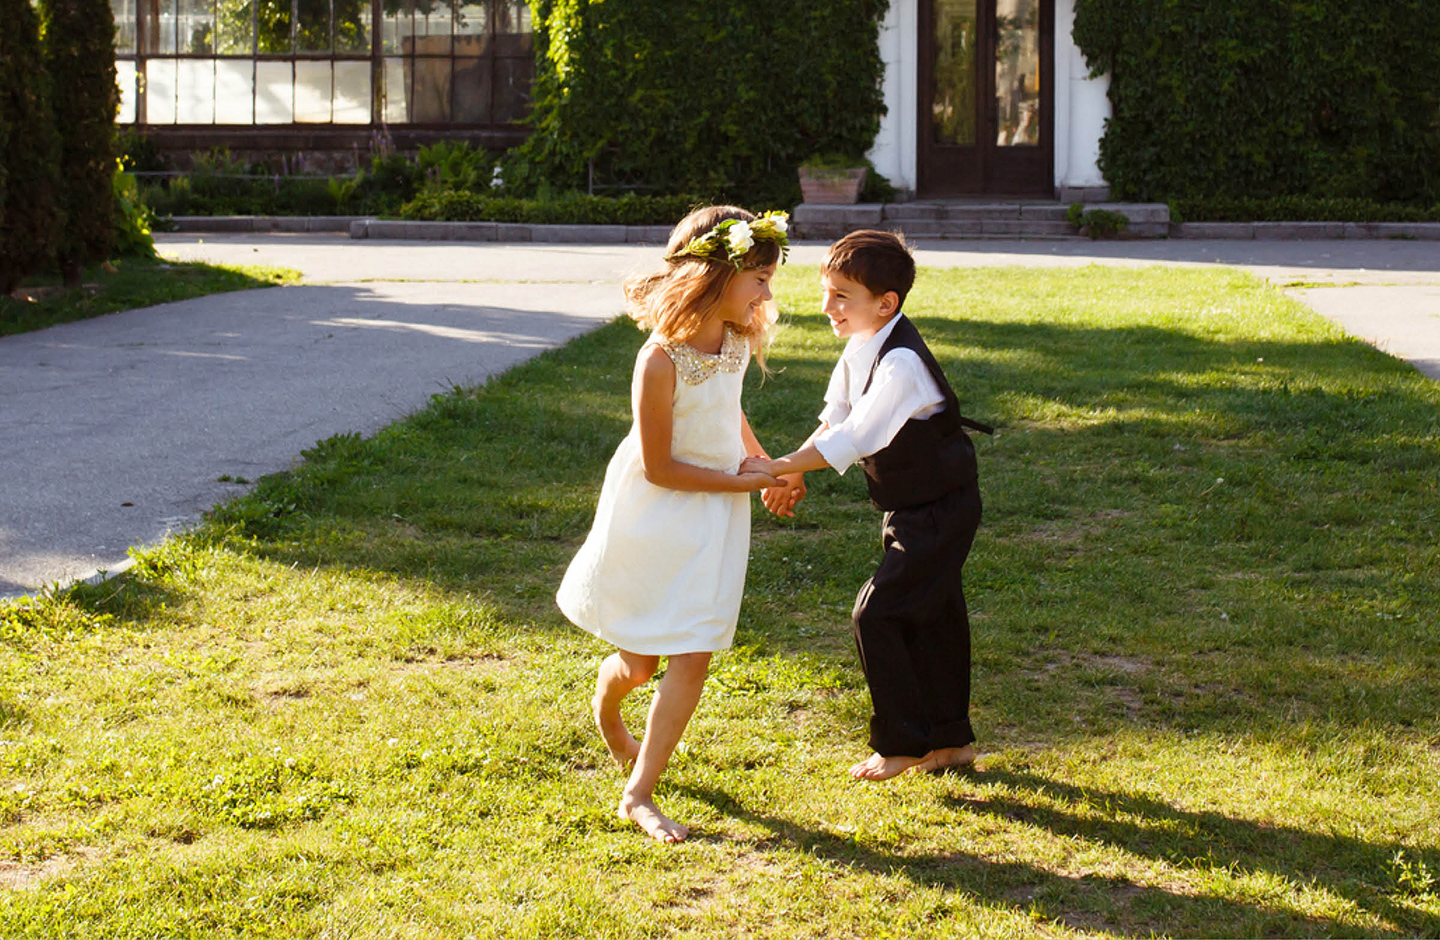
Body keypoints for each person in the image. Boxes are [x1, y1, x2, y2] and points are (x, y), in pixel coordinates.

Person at [556, 205, 791, 842]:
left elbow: (729, 412)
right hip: (656, 513)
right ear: (713, 277)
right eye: (759, 280)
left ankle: (639, 793)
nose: (767, 294)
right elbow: (660, 468)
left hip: (716, 512)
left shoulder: (738, 339)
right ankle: (611, 709)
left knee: (694, 653)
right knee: (639, 662)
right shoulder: (658, 360)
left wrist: (767, 464)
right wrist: (740, 481)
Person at [741, 229, 992, 781]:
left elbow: (859, 436)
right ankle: (950, 743)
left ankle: (901, 744)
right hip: (911, 506)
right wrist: (793, 473)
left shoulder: (901, 364)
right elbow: (834, 419)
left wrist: (778, 466)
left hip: (941, 507)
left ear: (886, 303)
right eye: (826, 292)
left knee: (877, 613)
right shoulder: (862, 344)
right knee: (935, 616)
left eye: (840, 298)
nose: (826, 308)